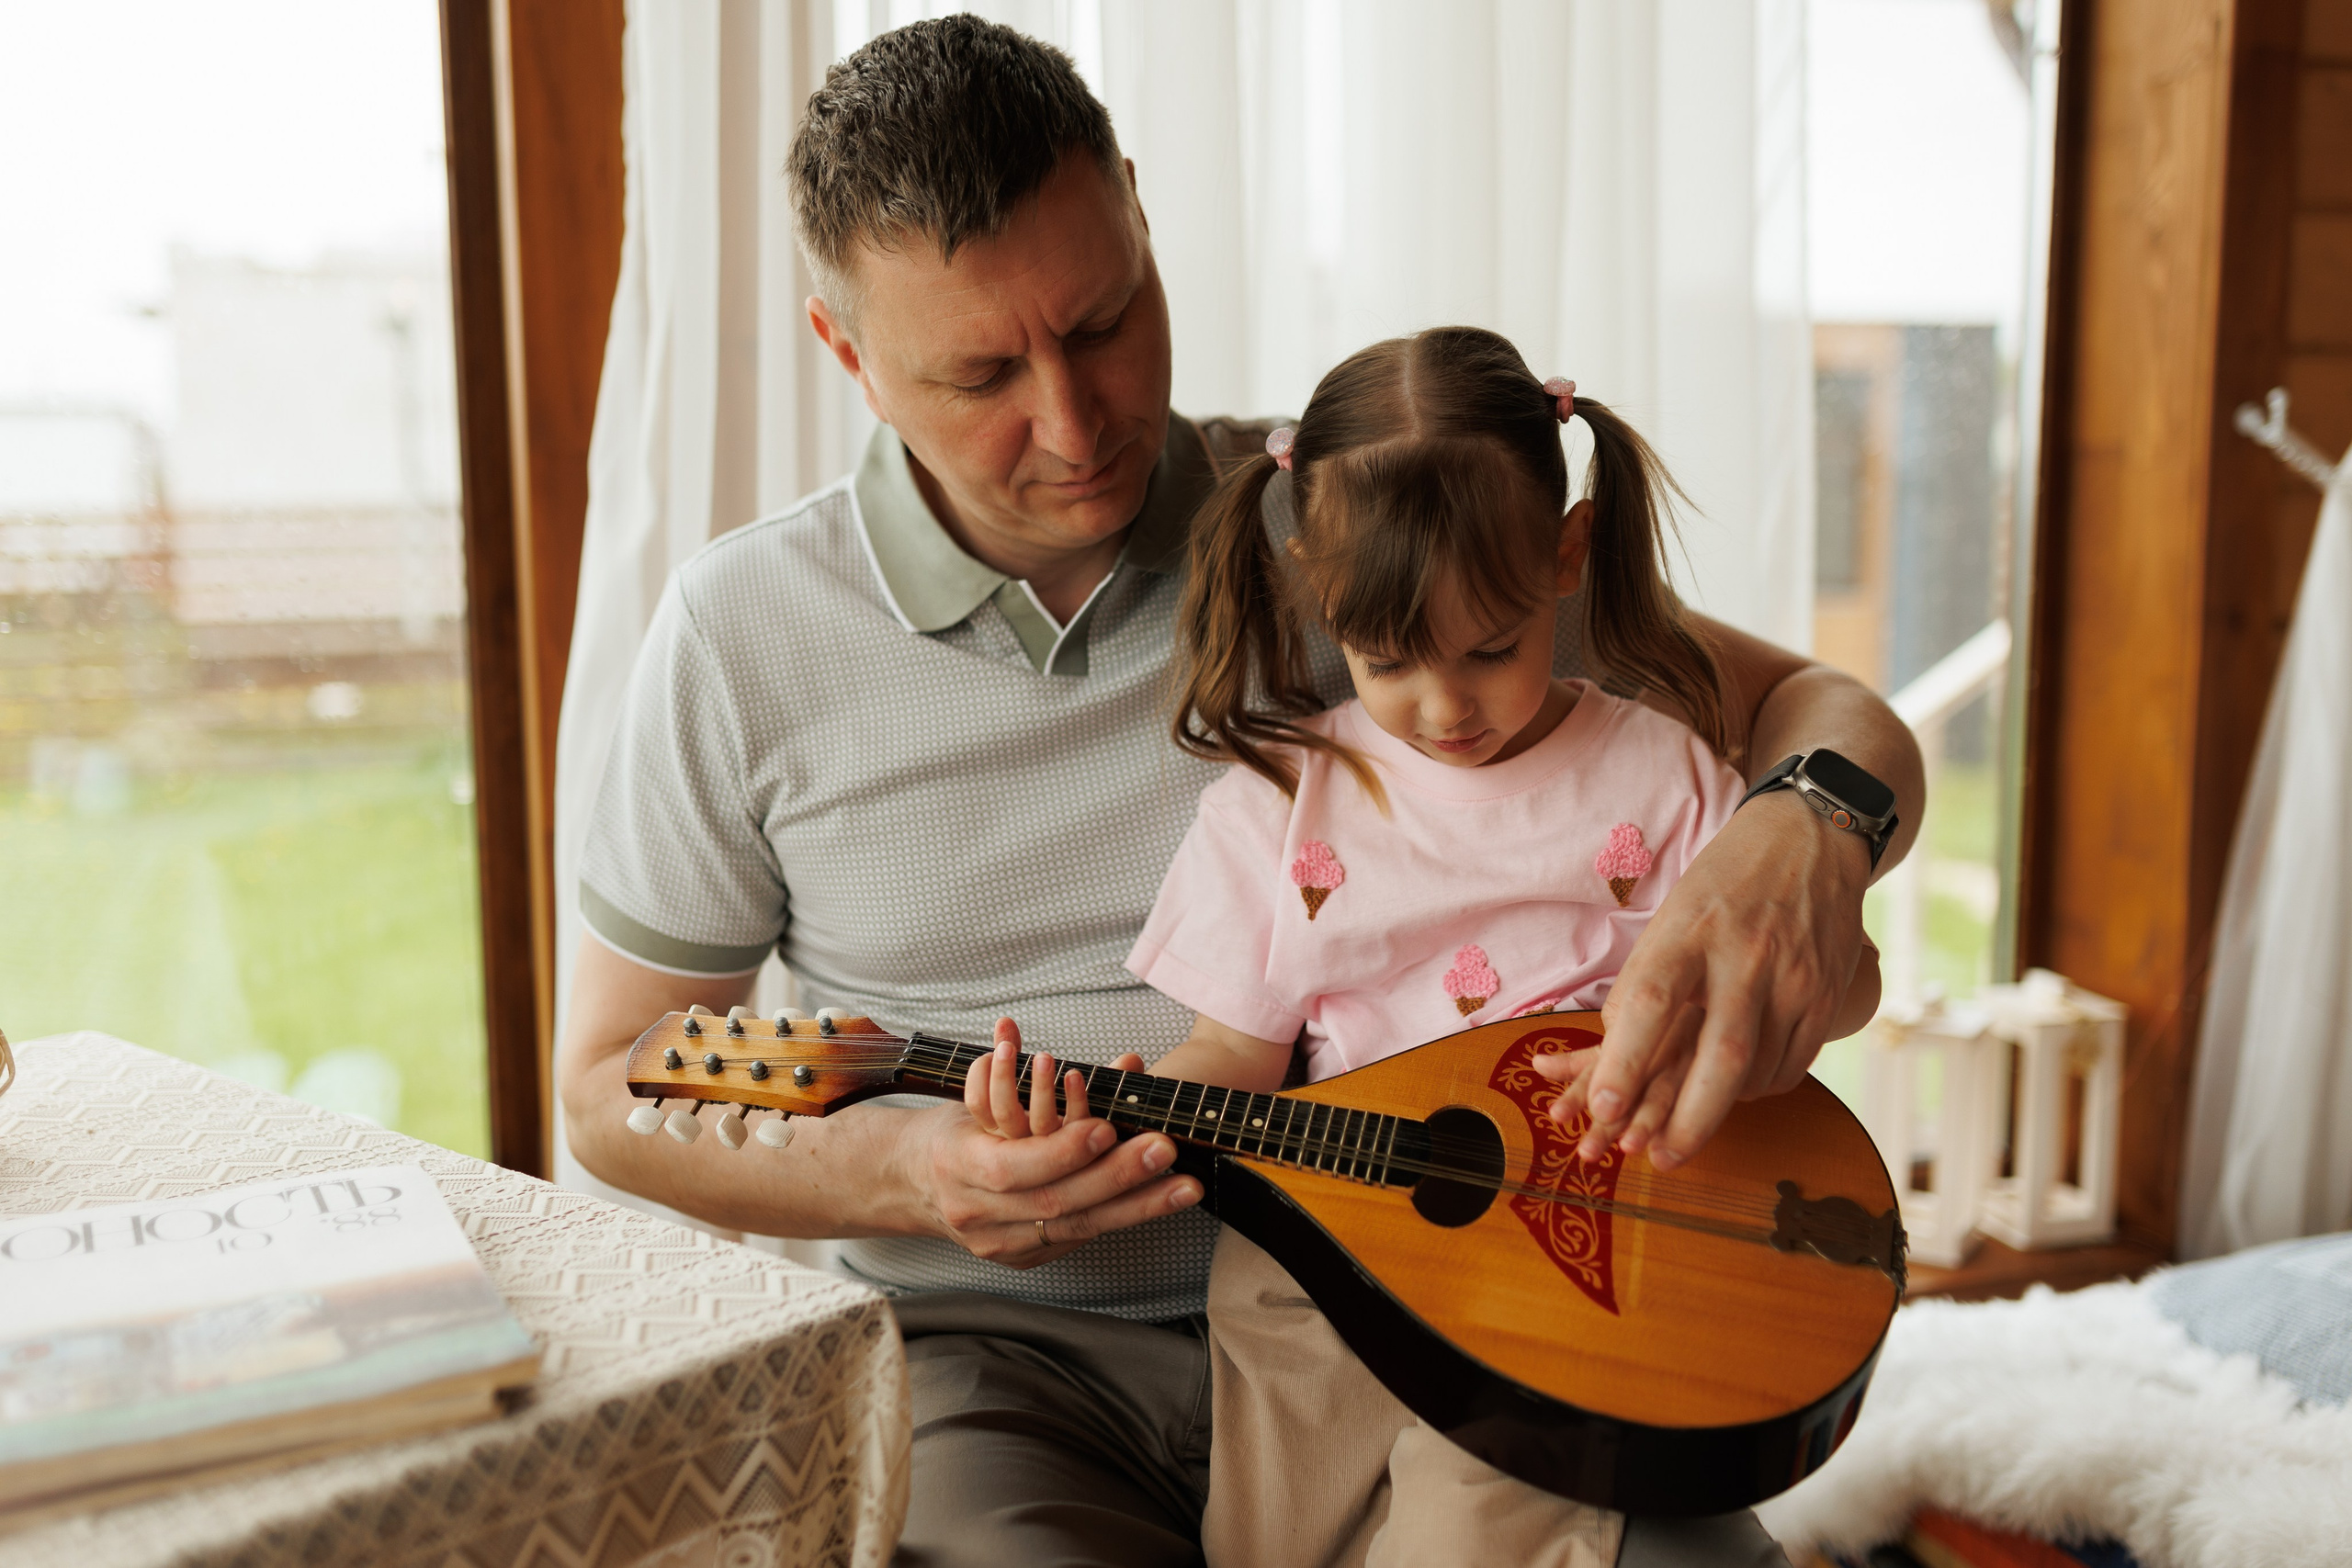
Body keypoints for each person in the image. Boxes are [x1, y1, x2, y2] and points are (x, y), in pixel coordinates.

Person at [556, 17, 1918, 1567]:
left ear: (1139, 210)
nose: (1074, 426)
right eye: (984, 372)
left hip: (1483, 1300)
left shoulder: (1345, 518)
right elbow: (613, 1084)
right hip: (998, 1354)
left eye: (1107, 319)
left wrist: (1801, 831)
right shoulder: (742, 636)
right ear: (848, 353)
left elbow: (1827, 710)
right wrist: (906, 1171)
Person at [966, 326, 1879, 1566]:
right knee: (1267, 1546)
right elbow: (1231, 1052)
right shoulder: (1282, 803)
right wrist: (1077, 1122)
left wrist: (1821, 956)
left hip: (1570, 1278)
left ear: (1567, 554)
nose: (1443, 709)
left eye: (1489, 650)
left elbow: (1819, 983)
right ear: (1316, 588)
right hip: (1312, 1272)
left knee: (1473, 1521)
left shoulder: (1661, 776)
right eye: (1387, 659)